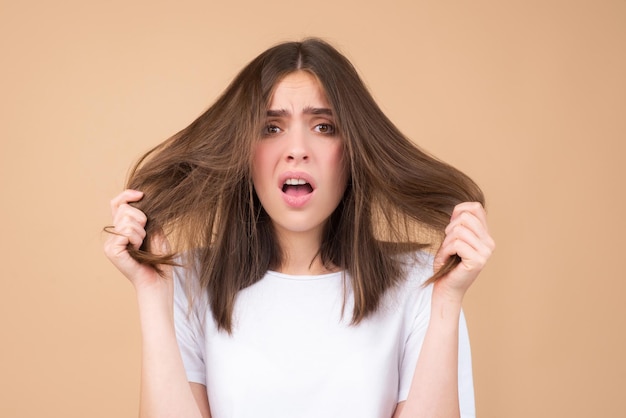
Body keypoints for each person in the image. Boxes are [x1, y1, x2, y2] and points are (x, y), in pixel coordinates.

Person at [104, 38, 495, 418]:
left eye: (323, 126)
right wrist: (152, 295)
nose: (297, 148)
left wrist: (445, 304)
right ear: (242, 150)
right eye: (271, 128)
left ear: (354, 148)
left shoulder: (422, 283)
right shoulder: (188, 282)